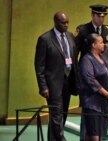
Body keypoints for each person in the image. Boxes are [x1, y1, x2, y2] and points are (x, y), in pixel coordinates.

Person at [34, 11, 79, 141]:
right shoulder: (45, 39)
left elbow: (73, 59)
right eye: (63, 23)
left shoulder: (70, 36)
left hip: (68, 81)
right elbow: (39, 66)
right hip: (53, 84)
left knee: (62, 113)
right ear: (55, 22)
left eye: (67, 22)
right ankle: (61, 139)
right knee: (56, 114)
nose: (66, 25)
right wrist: (43, 87)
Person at [75, 4, 108, 140]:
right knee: (89, 124)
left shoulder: (107, 30)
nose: (101, 19)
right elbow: (75, 55)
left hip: (104, 80)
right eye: (99, 16)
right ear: (92, 15)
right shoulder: (82, 30)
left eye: (104, 16)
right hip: (89, 83)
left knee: (101, 125)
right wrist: (77, 79)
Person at [79, 33, 108, 141]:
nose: (104, 44)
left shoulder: (102, 57)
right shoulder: (86, 59)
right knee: (93, 135)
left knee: (98, 135)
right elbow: (90, 79)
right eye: (101, 42)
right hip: (92, 103)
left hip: (104, 102)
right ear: (94, 45)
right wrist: (105, 92)